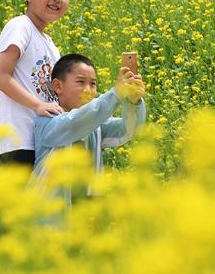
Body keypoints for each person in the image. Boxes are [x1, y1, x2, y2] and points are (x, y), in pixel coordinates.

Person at [32, 54, 147, 204]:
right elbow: (77, 121)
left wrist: (133, 102)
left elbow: (127, 130)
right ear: (58, 86)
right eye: (80, 82)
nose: (88, 90)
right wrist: (116, 94)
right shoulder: (48, 122)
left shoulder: (95, 127)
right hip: (49, 215)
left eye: (93, 84)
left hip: (85, 213)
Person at [0, 0, 70, 167]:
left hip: (45, 143)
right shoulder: (20, 26)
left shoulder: (51, 46)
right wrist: (38, 106)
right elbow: (0, 77)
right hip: (20, 144)